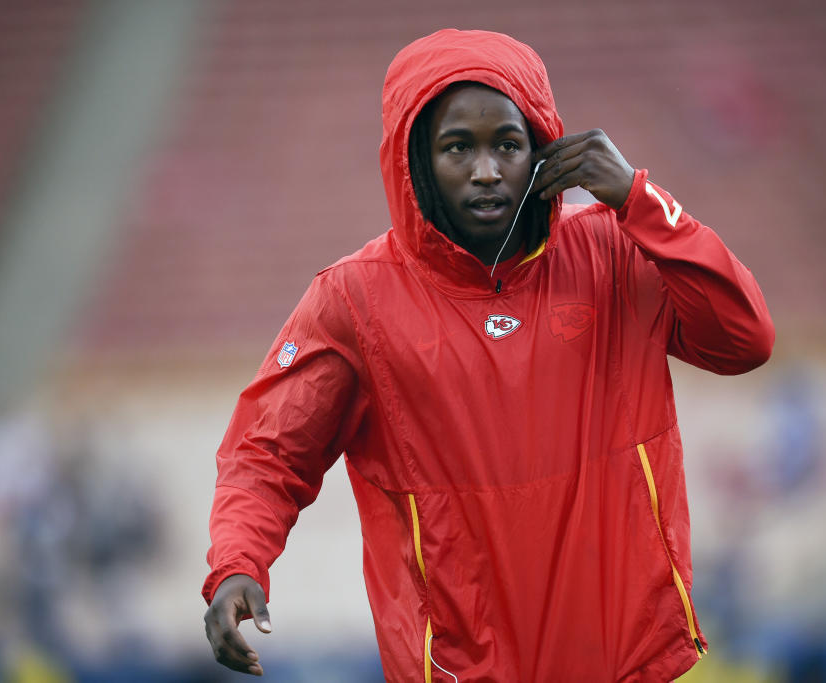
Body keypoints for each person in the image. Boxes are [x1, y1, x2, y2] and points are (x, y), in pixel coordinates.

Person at [202, 28, 774, 682]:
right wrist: (239, 562)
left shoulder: (616, 250)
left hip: (631, 668)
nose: (485, 169)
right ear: (416, 158)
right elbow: (267, 452)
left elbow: (743, 339)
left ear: (543, 147)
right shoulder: (354, 299)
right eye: (456, 147)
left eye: (507, 143)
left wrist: (639, 200)